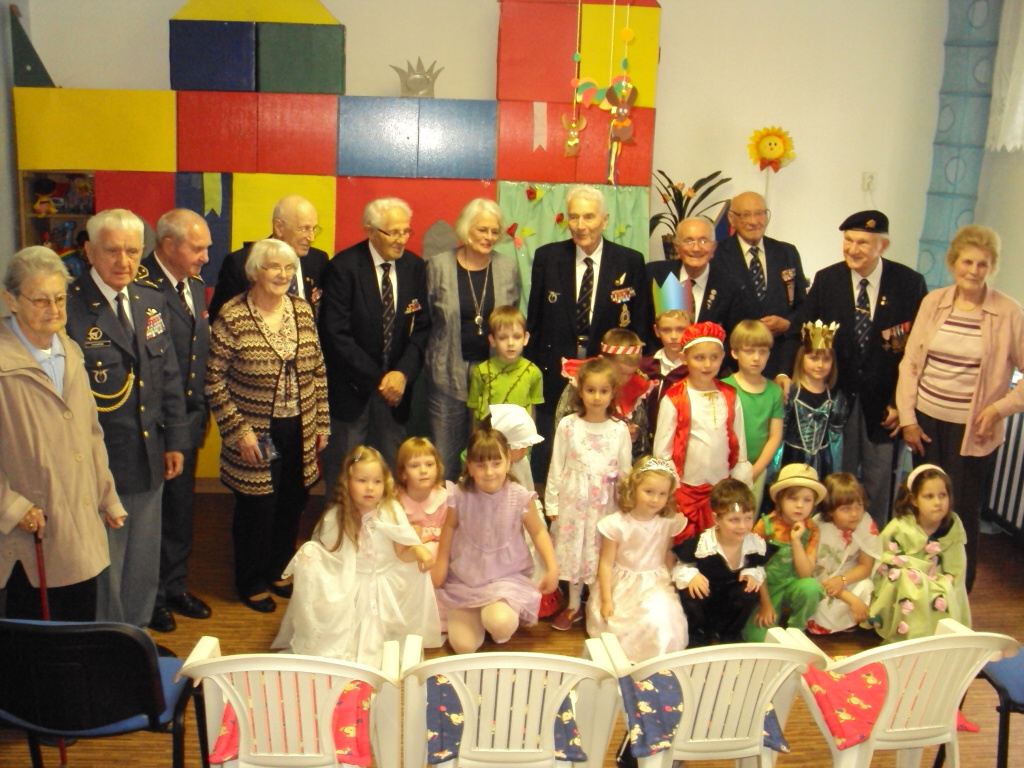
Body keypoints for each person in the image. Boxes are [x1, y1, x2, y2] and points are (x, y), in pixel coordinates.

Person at [65, 209, 189, 627]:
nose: (124, 261)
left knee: (142, 558)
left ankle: (136, 636)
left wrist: (175, 440)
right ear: (89, 251)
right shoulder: (70, 307)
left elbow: (167, 374)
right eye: (112, 251)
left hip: (149, 452)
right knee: (107, 563)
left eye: (133, 251)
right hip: (100, 460)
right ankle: (108, 641)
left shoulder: (149, 301)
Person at [0, 246, 127, 621]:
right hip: (27, 535)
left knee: (78, 627)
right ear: (11, 300)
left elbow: (90, 434)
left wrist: (107, 496)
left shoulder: (70, 351)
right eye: (40, 300)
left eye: (59, 299)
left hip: (78, 526)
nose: (54, 310)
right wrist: (13, 508)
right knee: (34, 639)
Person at [896, 224, 1024, 592]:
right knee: (924, 505)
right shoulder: (933, 303)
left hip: (974, 430)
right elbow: (910, 364)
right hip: (926, 424)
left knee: (961, 511)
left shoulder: (1009, 313)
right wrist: (908, 419)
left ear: (992, 267)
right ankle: (919, 586)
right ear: (953, 263)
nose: (974, 270)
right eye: (967, 262)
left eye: (982, 264)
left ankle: (956, 592)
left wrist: (999, 409)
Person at [206, 238, 330, 613]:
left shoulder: (302, 310)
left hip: (299, 427)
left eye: (289, 268)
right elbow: (213, 380)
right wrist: (238, 431)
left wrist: (322, 423)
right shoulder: (233, 316)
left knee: (293, 500)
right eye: (274, 266)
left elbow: (318, 369)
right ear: (255, 271)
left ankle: (278, 569)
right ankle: (251, 580)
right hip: (256, 430)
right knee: (257, 507)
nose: (283, 274)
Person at [796, 210, 927, 526]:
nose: (852, 249)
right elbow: (808, 334)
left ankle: (873, 540)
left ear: (883, 245)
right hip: (837, 399)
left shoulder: (909, 284)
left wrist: (900, 405)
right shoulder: (828, 280)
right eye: (848, 240)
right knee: (836, 477)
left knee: (879, 481)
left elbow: (918, 350)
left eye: (863, 243)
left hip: (885, 407)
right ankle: (832, 538)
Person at [526, 185, 651, 482]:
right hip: (555, 373)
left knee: (599, 458)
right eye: (574, 217)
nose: (581, 225)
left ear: (605, 220)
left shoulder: (630, 261)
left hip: (607, 379)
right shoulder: (548, 257)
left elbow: (640, 325)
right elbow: (536, 322)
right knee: (552, 453)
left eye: (589, 217)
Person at [273, 445, 441, 662]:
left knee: (386, 647)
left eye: (377, 481)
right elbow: (331, 559)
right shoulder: (337, 516)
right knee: (343, 643)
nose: (370, 488)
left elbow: (401, 552)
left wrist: (418, 551)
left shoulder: (391, 510)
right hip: (350, 584)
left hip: (384, 584)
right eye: (362, 481)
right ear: (348, 482)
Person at [318, 198, 429, 495]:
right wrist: (381, 380)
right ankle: (341, 525)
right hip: (352, 392)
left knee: (389, 477)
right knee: (345, 477)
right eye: (394, 232)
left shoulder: (415, 267)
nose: (402, 239)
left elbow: (422, 328)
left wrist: (402, 374)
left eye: (406, 231)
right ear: (370, 230)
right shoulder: (343, 267)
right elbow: (335, 334)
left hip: (396, 395)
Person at [142, 208, 213, 633]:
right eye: (197, 248)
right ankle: (149, 598)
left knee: (181, 510)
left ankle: (174, 586)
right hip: (154, 425)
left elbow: (195, 354)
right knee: (153, 516)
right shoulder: (141, 287)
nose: (205, 256)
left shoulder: (194, 285)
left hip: (186, 419)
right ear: (168, 245)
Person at [433, 425, 558, 653]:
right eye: (481, 465)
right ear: (470, 466)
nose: (489, 472)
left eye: (496, 463)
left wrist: (552, 567)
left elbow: (538, 532)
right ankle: (477, 616)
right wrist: (441, 563)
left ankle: (495, 618)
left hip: (504, 578)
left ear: (508, 461)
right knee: (463, 646)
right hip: (466, 579)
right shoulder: (459, 495)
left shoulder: (519, 496)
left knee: (500, 623)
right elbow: (449, 527)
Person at [425, 199, 521, 480]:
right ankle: (446, 506)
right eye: (482, 230)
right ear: (466, 230)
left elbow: (512, 317)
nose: (489, 237)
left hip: (494, 377)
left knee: (487, 456)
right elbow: (426, 320)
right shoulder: (438, 266)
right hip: (446, 375)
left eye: (494, 231)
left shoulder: (507, 268)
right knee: (445, 456)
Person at [546, 357, 633, 631]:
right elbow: (557, 465)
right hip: (573, 501)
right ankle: (573, 604)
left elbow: (626, 471)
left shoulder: (619, 430)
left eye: (603, 391)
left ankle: (595, 602)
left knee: (598, 551)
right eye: (591, 390)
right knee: (576, 551)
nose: (597, 397)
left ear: (613, 393)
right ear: (580, 391)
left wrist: (626, 506)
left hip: (605, 503)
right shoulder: (568, 425)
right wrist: (552, 503)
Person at [653, 321, 752, 541]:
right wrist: (670, 488)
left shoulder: (730, 395)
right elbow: (662, 451)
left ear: (722, 357)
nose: (707, 364)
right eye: (699, 358)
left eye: (714, 357)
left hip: (722, 491)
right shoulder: (674, 398)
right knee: (685, 544)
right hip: (686, 492)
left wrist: (739, 479)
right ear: (684, 358)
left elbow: (739, 442)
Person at [587, 456, 688, 661]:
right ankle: (625, 662)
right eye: (649, 492)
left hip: (656, 582)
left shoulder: (667, 523)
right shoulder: (617, 524)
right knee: (623, 626)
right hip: (623, 584)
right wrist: (606, 599)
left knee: (661, 619)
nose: (655, 499)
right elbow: (606, 563)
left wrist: (673, 581)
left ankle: (656, 662)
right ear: (633, 488)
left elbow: (667, 554)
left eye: (662, 494)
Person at [870, 464, 970, 642]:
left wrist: (935, 583)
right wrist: (913, 573)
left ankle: (935, 638)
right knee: (906, 584)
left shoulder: (953, 529)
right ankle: (909, 636)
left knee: (940, 595)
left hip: (938, 586)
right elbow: (884, 558)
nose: (938, 502)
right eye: (929, 496)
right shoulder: (900, 527)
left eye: (942, 495)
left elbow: (956, 569)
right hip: (905, 586)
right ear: (914, 500)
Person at [715, 191, 808, 376]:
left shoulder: (787, 252)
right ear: (732, 218)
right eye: (746, 214)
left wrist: (788, 323)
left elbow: (804, 306)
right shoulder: (717, 255)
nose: (754, 221)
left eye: (760, 213)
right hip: (733, 365)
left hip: (780, 362)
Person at [672, 479, 771, 645]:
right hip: (706, 602)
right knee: (691, 591)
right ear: (716, 519)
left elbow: (758, 567)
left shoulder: (754, 545)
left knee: (749, 591)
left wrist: (753, 574)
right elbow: (680, 568)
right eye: (734, 520)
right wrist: (692, 575)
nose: (743, 526)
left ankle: (729, 636)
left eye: (748, 518)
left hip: (730, 603)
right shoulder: (703, 544)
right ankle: (699, 637)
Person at [647, 217, 754, 370]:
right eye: (688, 241)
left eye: (704, 241)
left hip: (710, 373)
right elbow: (643, 327)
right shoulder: (655, 275)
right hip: (659, 371)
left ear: (714, 247)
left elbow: (735, 339)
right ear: (677, 247)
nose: (696, 248)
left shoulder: (731, 286)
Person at [208, 195, 328, 321]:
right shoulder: (241, 263)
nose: (311, 238)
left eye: (314, 229)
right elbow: (219, 318)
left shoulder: (318, 260)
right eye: (304, 229)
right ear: (279, 227)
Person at [743, 463, 826, 642]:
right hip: (767, 588)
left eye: (807, 500)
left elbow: (805, 574)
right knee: (757, 640)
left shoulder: (812, 529)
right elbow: (754, 567)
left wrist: (796, 540)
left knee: (811, 587)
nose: (799, 505)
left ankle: (797, 630)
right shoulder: (765, 525)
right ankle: (770, 617)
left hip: (794, 586)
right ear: (780, 499)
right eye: (792, 498)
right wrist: (765, 604)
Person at [553, 328, 654, 457]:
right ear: (602, 360)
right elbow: (562, 429)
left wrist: (635, 436)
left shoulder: (637, 391)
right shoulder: (580, 384)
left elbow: (642, 442)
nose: (623, 380)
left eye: (630, 374)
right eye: (620, 372)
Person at [772, 321, 849, 480]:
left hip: (823, 465)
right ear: (801, 358)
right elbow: (779, 436)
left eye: (826, 359)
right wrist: (773, 472)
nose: (820, 365)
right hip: (791, 462)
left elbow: (836, 440)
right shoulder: (790, 394)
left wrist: (836, 474)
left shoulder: (836, 399)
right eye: (813, 358)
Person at [807, 473, 879, 635]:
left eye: (859, 506)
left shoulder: (865, 522)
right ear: (830, 510)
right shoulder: (818, 527)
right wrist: (850, 598)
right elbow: (818, 574)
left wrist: (843, 580)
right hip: (823, 581)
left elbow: (866, 566)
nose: (854, 514)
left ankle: (851, 620)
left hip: (850, 576)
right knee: (820, 606)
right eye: (846, 509)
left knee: (867, 587)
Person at [722, 320, 783, 509]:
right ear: (734, 352)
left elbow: (775, 435)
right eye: (749, 351)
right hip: (725, 469)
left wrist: (755, 471)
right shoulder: (724, 387)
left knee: (748, 515)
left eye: (762, 352)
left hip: (757, 469)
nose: (756, 358)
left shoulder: (774, 392)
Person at [466, 305, 543, 426]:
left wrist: (530, 436)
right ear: (492, 340)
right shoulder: (481, 372)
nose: (510, 343)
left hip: (520, 435)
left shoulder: (533, 372)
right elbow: (474, 411)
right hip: (490, 435)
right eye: (503, 338)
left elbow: (533, 411)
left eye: (517, 337)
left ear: (526, 338)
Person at [395, 436, 452, 561]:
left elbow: (450, 535)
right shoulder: (397, 503)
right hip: (408, 560)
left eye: (429, 464)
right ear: (403, 473)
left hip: (439, 558)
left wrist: (424, 534)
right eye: (414, 466)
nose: (423, 470)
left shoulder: (444, 498)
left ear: (437, 468)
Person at [640, 308, 690, 444]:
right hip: (646, 440)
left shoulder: (695, 370)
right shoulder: (643, 367)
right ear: (656, 331)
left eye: (680, 329)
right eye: (666, 330)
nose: (674, 336)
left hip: (683, 442)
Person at [487, 403, 544, 490]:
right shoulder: (488, 472)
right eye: (521, 447)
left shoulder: (522, 462)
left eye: (527, 446)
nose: (525, 451)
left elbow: (529, 490)